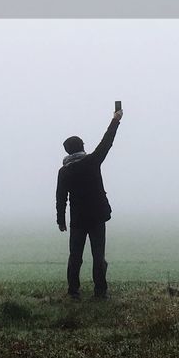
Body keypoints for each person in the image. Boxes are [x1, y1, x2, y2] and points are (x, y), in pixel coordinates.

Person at [56, 106, 122, 299]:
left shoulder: (64, 171)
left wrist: (61, 221)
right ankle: (100, 292)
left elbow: (61, 198)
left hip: (77, 219)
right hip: (97, 217)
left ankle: (73, 291)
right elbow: (107, 142)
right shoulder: (92, 161)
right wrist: (116, 120)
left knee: (75, 257)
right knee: (98, 256)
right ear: (82, 147)